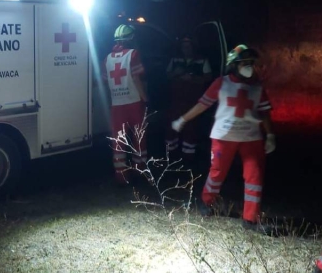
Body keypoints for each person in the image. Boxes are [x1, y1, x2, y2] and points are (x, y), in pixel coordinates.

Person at [171, 44, 276, 233]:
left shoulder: (257, 87)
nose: (249, 66)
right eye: (245, 62)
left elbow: (265, 112)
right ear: (234, 65)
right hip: (223, 137)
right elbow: (202, 105)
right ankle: (205, 201)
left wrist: (270, 135)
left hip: (251, 138)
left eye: (251, 62)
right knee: (217, 173)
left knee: (255, 176)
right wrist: (183, 120)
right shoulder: (221, 83)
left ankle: (250, 219)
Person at [102, 24, 148, 185]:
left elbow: (105, 82)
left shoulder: (107, 58)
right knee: (139, 137)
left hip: (116, 105)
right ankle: (139, 170)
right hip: (134, 102)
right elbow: (137, 79)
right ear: (131, 39)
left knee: (119, 140)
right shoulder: (133, 54)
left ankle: (120, 175)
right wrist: (145, 97)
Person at [165, 37, 212, 162]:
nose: (186, 48)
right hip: (176, 99)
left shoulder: (202, 60)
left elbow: (208, 77)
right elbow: (167, 75)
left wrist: (192, 79)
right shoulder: (175, 59)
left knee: (191, 127)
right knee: (172, 126)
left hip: (193, 100)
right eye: (183, 45)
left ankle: (188, 158)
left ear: (193, 46)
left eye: (188, 45)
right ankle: (171, 155)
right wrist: (176, 73)